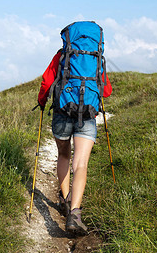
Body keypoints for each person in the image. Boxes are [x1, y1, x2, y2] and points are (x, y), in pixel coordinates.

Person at [38, 47, 112, 235]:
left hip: (61, 114)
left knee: (64, 155)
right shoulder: (95, 58)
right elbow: (107, 90)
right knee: (80, 164)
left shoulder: (62, 55)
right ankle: (75, 214)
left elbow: (47, 81)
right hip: (86, 116)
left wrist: (41, 101)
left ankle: (65, 199)